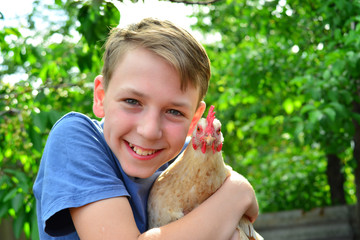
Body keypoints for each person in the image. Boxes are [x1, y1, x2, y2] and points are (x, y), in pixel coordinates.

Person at [33, 18, 258, 240]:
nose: (150, 131)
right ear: (101, 97)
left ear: (193, 120)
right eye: (132, 101)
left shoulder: (186, 158)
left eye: (174, 112)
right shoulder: (77, 139)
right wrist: (238, 193)